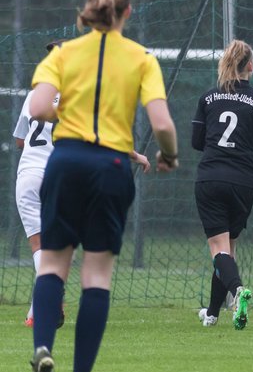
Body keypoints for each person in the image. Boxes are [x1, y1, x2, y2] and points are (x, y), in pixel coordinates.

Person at [27, 0, 179, 372]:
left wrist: (69, 106)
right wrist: (168, 156)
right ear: (127, 12)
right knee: (96, 276)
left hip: (66, 160)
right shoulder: (141, 59)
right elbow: (164, 125)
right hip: (112, 167)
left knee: (53, 265)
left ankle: (42, 351)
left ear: (89, 8)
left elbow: (38, 108)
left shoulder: (62, 53)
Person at [13, 41, 151, 327]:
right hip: (61, 178)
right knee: (58, 249)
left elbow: (19, 140)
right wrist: (136, 155)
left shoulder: (34, 97)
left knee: (40, 247)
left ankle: (47, 305)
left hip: (29, 175)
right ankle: (37, 311)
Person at [191, 39, 253, 330]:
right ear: (251, 66)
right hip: (244, 181)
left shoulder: (208, 98)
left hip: (211, 177)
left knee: (219, 250)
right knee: (227, 249)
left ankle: (239, 290)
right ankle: (213, 314)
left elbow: (196, 142)